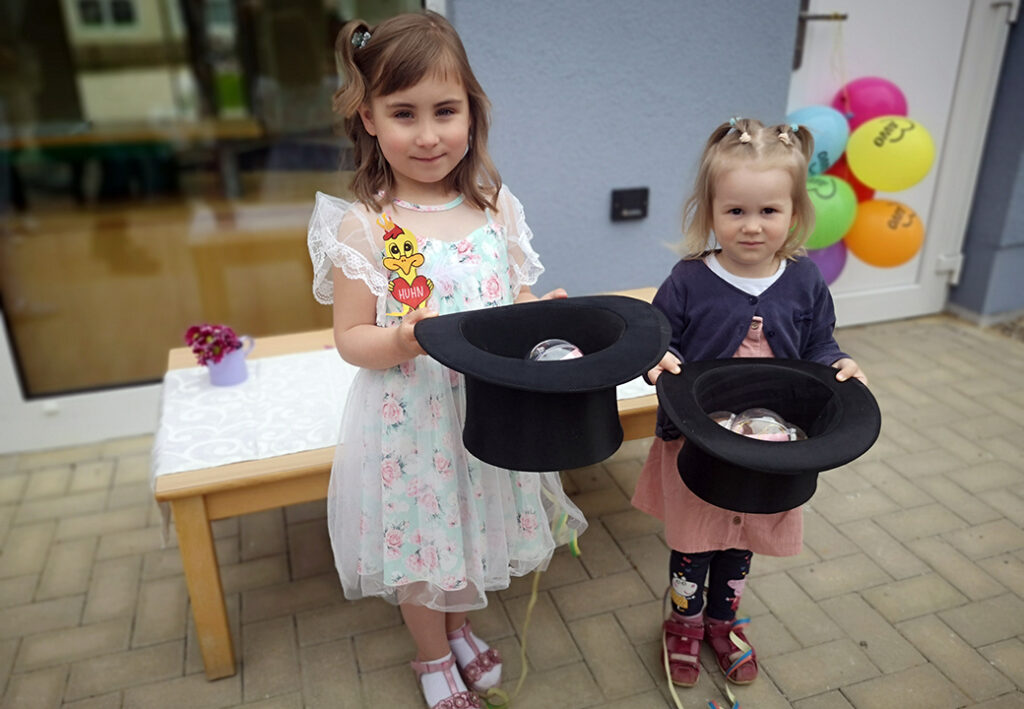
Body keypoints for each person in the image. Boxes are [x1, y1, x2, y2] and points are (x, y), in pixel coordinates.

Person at [306, 11, 586, 709]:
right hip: (413, 423)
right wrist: (401, 338)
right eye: (404, 113)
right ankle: (432, 657)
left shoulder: (494, 208)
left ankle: (459, 627)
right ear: (368, 118)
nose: (428, 134)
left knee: (468, 528)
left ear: (471, 112)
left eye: (445, 110)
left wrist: (540, 314)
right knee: (423, 541)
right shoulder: (367, 224)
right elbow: (350, 337)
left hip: (485, 414)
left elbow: (511, 295)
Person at [632, 118, 867, 688]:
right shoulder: (689, 279)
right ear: (710, 211)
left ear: (794, 213)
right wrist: (656, 359)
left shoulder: (806, 280)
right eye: (735, 211)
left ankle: (723, 620)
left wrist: (841, 365)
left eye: (769, 211)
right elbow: (660, 341)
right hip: (700, 444)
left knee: (742, 539)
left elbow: (820, 343)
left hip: (770, 447)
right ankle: (683, 624)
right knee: (696, 541)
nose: (753, 227)